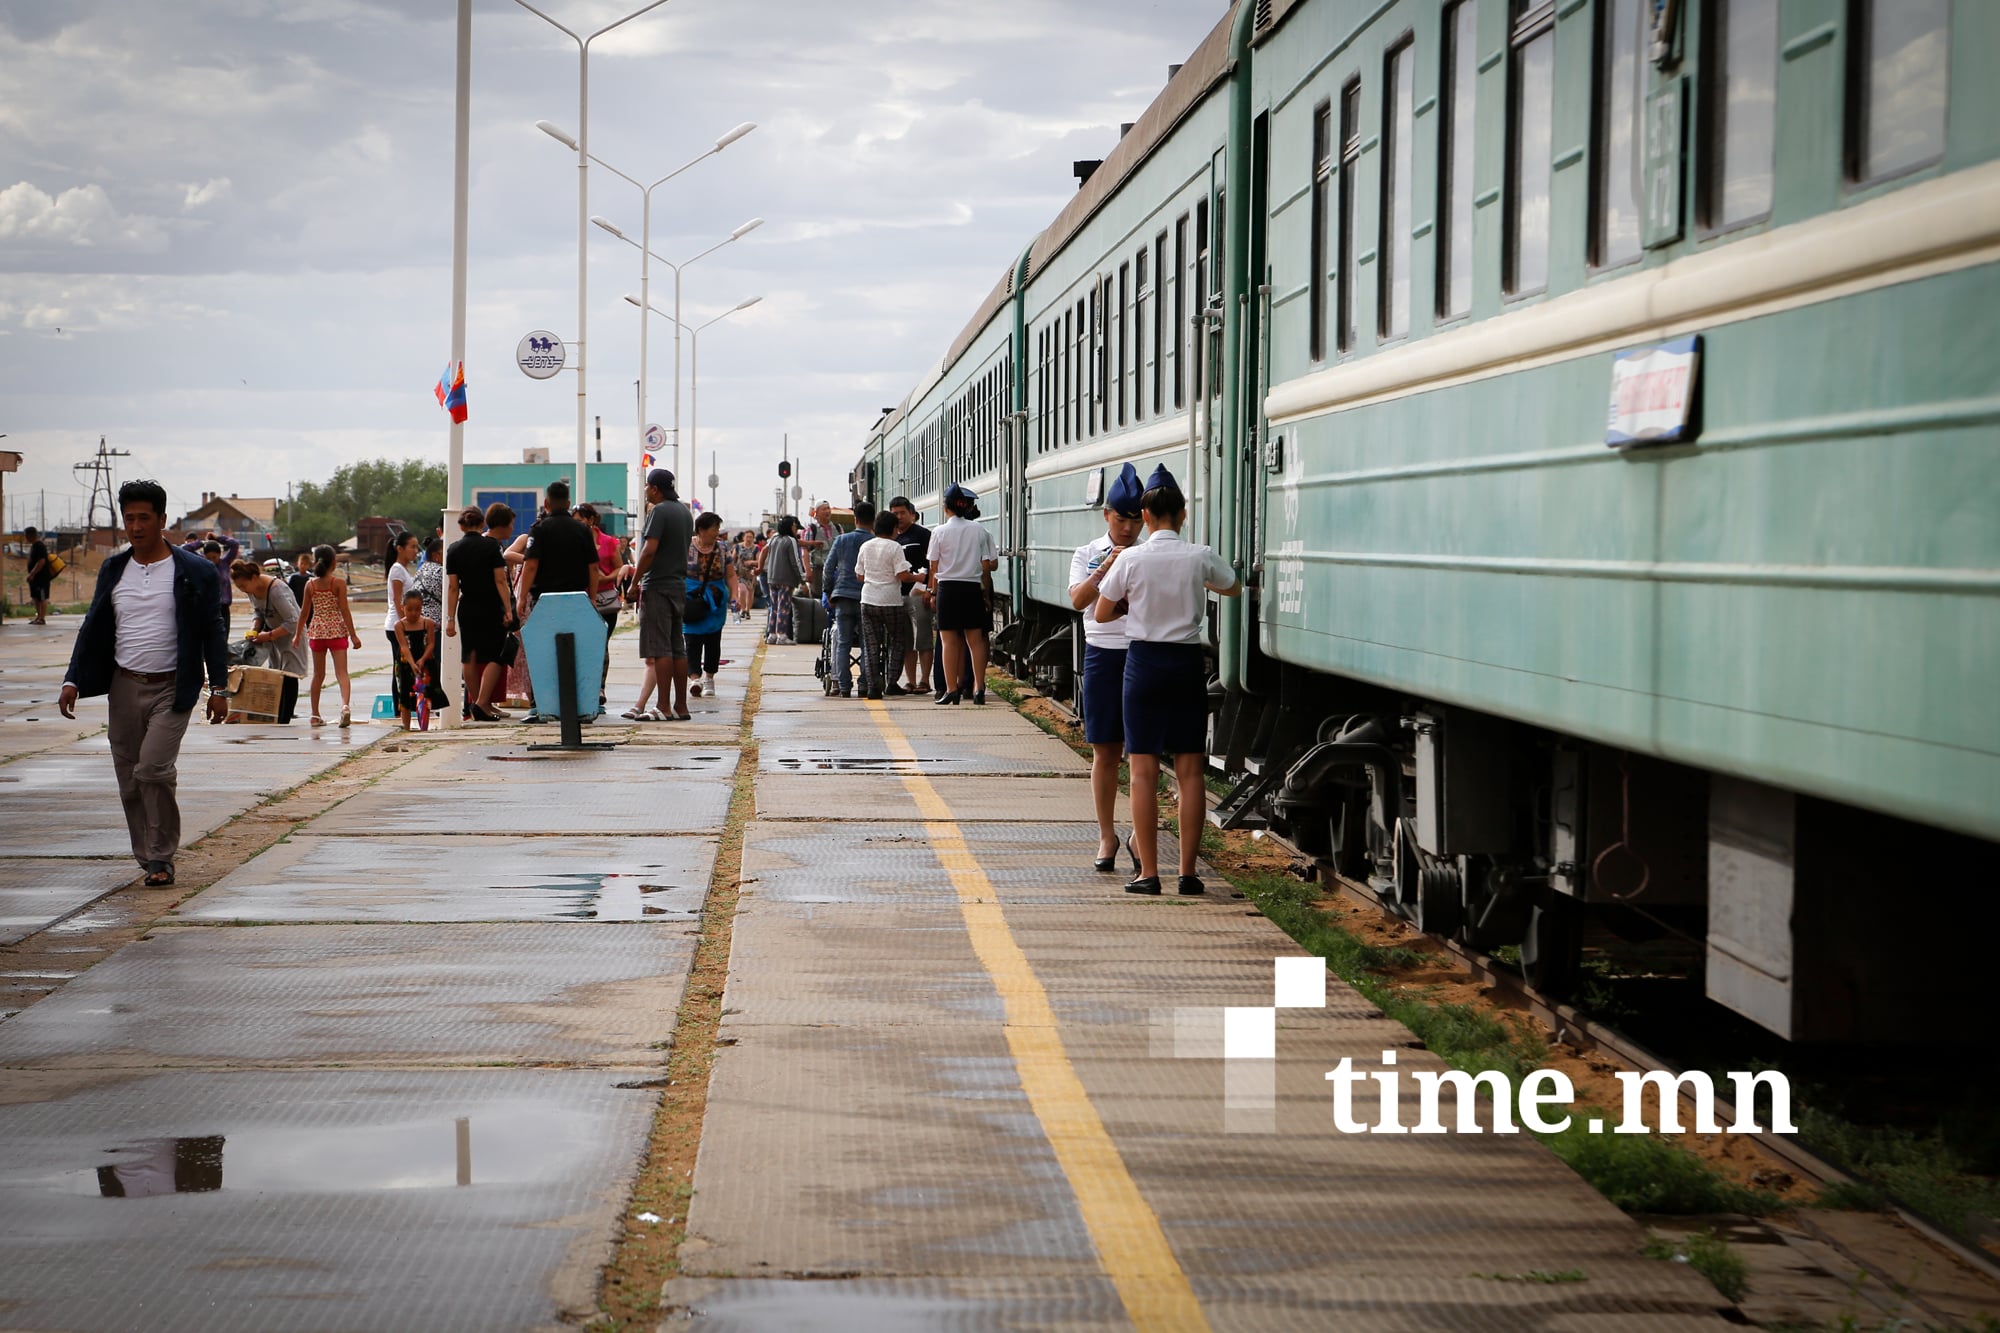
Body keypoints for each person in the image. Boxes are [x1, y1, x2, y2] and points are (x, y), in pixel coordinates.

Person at [58, 479, 230, 887]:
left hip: (175, 686)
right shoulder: (114, 569)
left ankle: (162, 853)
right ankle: (149, 857)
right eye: (129, 518)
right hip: (124, 684)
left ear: (162, 520)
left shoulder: (195, 571)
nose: (136, 526)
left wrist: (220, 688)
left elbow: (212, 630)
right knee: (130, 778)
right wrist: (72, 679)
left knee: (152, 768)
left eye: (144, 518)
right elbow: (93, 625)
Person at [1094, 463, 1241, 896]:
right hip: (1185, 665)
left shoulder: (1132, 558)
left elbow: (1101, 612)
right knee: (1190, 772)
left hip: (1142, 666)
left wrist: (1134, 608)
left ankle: (1148, 874)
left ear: (1144, 516)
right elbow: (1232, 586)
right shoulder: (1198, 555)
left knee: (1142, 772)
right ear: (1182, 515)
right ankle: (1189, 874)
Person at [1069, 462, 1147, 873]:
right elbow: (1078, 600)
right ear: (1107, 516)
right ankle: (1106, 834)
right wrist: (1107, 566)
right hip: (1102, 656)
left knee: (1141, 753)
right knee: (1105, 751)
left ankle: (1137, 833)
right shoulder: (1087, 553)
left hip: (1141, 654)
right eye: (1121, 519)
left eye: (1136, 521)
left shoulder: (1152, 555)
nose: (1129, 528)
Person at [514, 480, 601, 718]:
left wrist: (522, 598)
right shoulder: (582, 530)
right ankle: (582, 707)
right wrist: (592, 599)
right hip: (578, 598)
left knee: (542, 653)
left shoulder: (539, 530)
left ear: (546, 503)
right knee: (580, 653)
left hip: (544, 601)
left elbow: (531, 565)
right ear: (568, 502)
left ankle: (543, 706)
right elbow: (593, 568)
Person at [627, 469, 692, 721]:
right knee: (678, 647)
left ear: (654, 488)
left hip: (657, 585)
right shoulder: (685, 512)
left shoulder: (659, 511)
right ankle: (681, 706)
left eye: (646, 486)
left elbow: (649, 550)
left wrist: (635, 582)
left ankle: (663, 706)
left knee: (660, 648)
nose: (645, 490)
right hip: (678, 585)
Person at [926, 483, 998, 705]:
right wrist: (985, 594)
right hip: (972, 588)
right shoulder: (979, 530)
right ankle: (978, 688)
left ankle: (952, 690)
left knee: (948, 641)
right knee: (975, 641)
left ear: (945, 508)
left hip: (948, 589)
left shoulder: (938, 531)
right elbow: (987, 564)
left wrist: (932, 592)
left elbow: (934, 567)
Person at [445, 505, 512, 722]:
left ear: (461, 526)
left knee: (469, 656)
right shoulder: (491, 547)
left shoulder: (453, 549)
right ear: (482, 523)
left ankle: (476, 703)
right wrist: (508, 608)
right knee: (496, 654)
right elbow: (500, 580)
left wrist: (450, 619)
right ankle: (483, 702)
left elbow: (453, 587)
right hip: (490, 605)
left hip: (467, 606)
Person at [229, 557, 307, 724]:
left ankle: (285, 718)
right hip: (273, 633)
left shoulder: (276, 590)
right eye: (239, 587)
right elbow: (258, 612)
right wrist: (255, 629)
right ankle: (275, 714)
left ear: (255, 578)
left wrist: (269, 635)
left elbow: (293, 621)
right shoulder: (252, 590)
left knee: (289, 674)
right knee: (275, 673)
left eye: (243, 586)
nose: (243, 590)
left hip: (292, 634)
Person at [293, 543, 361, 728]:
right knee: (342, 673)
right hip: (336, 631)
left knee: (318, 675)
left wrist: (298, 635)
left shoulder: (310, 585)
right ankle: (345, 706)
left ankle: (315, 715)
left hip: (317, 632)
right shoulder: (337, 583)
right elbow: (345, 610)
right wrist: (353, 636)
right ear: (333, 563)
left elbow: (304, 613)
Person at [857, 507, 918, 700]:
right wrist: (921, 577)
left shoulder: (866, 546)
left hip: (868, 600)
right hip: (891, 601)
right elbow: (903, 575)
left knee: (871, 644)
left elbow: (859, 575)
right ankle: (891, 683)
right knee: (897, 641)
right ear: (893, 529)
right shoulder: (895, 547)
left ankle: (873, 687)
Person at [684, 511, 740, 700]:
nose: (717, 532)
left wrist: (735, 597)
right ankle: (694, 679)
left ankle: (709, 677)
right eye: (714, 528)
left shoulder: (723, 548)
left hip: (715, 601)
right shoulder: (686, 546)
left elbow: (731, 575)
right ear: (701, 530)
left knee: (713, 640)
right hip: (691, 598)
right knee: (691, 640)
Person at [576, 503, 626, 709]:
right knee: (581, 645)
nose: (577, 524)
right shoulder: (575, 541)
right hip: (581, 596)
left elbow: (620, 567)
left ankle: (599, 687)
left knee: (601, 643)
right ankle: (584, 687)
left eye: (580, 520)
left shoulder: (608, 542)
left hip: (605, 598)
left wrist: (606, 577)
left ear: (591, 520)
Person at [820, 503, 871, 698]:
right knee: (867, 642)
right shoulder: (874, 541)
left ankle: (843, 685)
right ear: (872, 520)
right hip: (866, 597)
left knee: (843, 642)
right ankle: (864, 684)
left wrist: (829, 592)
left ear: (855, 520)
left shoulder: (841, 540)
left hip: (842, 597)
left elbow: (828, 569)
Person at [888, 497, 933, 695]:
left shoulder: (923, 535)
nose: (898, 517)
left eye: (902, 513)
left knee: (922, 638)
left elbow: (934, 564)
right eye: (894, 513)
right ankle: (910, 681)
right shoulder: (890, 537)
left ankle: (925, 680)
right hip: (897, 596)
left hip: (918, 593)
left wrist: (930, 589)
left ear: (912, 514)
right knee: (906, 641)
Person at [390, 588, 448, 731]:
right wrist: (412, 663)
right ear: (403, 608)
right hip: (405, 661)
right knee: (404, 693)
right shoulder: (399, 625)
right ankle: (406, 727)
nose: (414, 613)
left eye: (417, 609)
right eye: (409, 610)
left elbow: (431, 644)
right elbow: (403, 646)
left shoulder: (427, 623)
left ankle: (424, 726)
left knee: (426, 693)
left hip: (426, 660)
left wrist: (422, 660)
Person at [759, 516, 805, 645]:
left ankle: (772, 634)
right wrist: (802, 579)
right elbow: (795, 562)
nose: (796, 530)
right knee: (783, 607)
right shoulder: (791, 541)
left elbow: (765, 551)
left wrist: (760, 567)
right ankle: (782, 635)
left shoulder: (774, 538)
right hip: (786, 579)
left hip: (771, 577)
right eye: (795, 527)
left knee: (774, 606)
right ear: (791, 526)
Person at [382, 532, 419, 671]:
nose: (416, 551)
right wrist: (405, 623)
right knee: (401, 670)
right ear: (400, 549)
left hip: (401, 624)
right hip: (396, 625)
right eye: (412, 547)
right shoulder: (397, 569)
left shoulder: (403, 569)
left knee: (405, 669)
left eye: (416, 547)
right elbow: (397, 599)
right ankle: (399, 694)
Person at [801, 500, 834, 595]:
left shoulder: (837, 528)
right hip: (817, 569)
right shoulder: (811, 529)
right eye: (824, 509)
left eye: (828, 508)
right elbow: (805, 550)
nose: (827, 511)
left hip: (834, 570)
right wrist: (808, 571)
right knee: (818, 596)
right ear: (817, 512)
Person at [23, 526, 52, 624]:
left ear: (31, 535)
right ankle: (38, 617)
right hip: (35, 578)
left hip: (41, 577)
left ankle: (42, 618)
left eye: (26, 535)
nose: (26, 537)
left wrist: (32, 574)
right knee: (35, 597)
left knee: (42, 597)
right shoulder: (34, 546)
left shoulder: (39, 546)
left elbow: (41, 561)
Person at [733, 529, 759, 619]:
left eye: (751, 537)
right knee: (742, 591)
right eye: (747, 537)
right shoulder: (738, 547)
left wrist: (751, 562)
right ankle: (742, 610)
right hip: (740, 573)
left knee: (750, 592)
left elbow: (759, 561)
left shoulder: (755, 548)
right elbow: (733, 559)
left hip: (751, 573)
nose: (749, 539)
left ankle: (748, 610)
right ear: (744, 537)